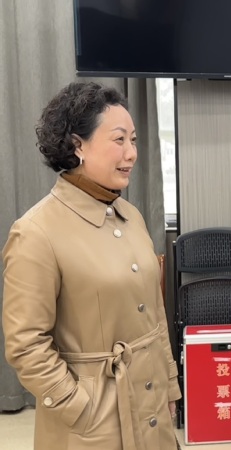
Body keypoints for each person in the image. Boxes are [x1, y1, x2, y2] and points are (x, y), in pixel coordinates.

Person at [2, 82, 181, 450]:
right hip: (91, 425)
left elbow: (155, 315)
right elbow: (26, 345)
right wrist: (79, 407)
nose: (131, 153)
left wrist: (169, 384)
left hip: (151, 409)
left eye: (134, 140)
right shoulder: (35, 232)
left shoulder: (131, 216)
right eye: (119, 140)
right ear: (77, 145)